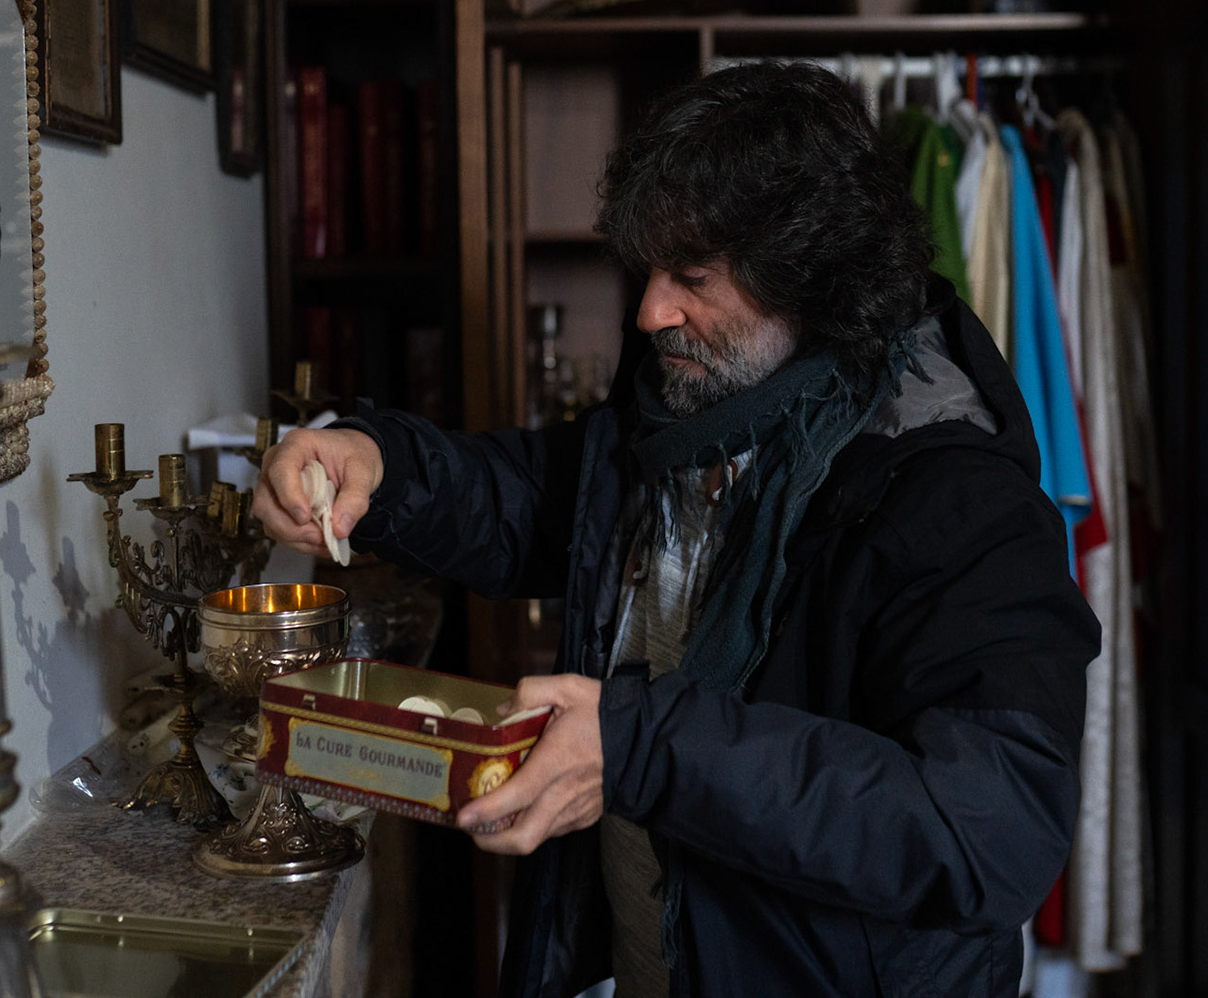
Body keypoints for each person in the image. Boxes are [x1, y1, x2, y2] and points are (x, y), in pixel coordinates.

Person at [254, 62, 1101, 998]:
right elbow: (546, 502)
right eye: (648, 269)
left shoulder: (960, 500)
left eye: (691, 277)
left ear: (810, 278)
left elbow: (988, 833)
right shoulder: (689, 402)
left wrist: (645, 748)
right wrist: (380, 464)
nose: (652, 310)